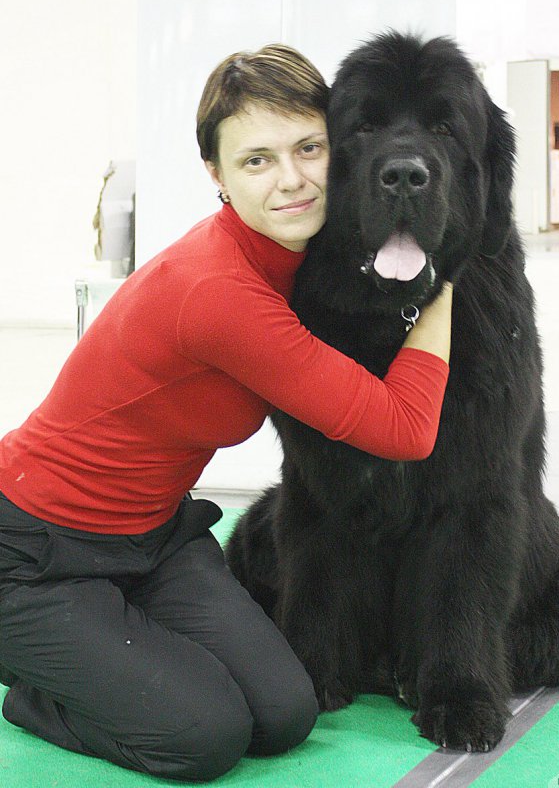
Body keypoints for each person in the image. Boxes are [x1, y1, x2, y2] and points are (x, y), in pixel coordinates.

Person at [0, 45, 453, 782]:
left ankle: (104, 654)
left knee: (284, 714)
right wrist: (446, 276)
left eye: (309, 148)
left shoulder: (304, 257)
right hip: (33, 551)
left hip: (153, 540)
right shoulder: (218, 292)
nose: (293, 180)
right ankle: (37, 691)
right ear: (216, 175)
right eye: (257, 161)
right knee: (204, 738)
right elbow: (405, 428)